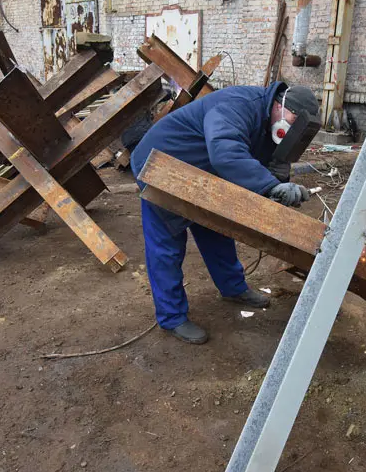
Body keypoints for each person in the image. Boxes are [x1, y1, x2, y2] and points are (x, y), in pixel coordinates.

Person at [130, 82, 320, 344]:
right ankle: (172, 317)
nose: (292, 128)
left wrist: (280, 189)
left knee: (217, 230)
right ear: (280, 105)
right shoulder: (239, 105)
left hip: (203, 176)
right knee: (167, 245)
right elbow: (225, 151)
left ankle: (233, 289)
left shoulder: (270, 122)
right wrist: (271, 186)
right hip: (162, 164)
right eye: (293, 120)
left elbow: (273, 163)